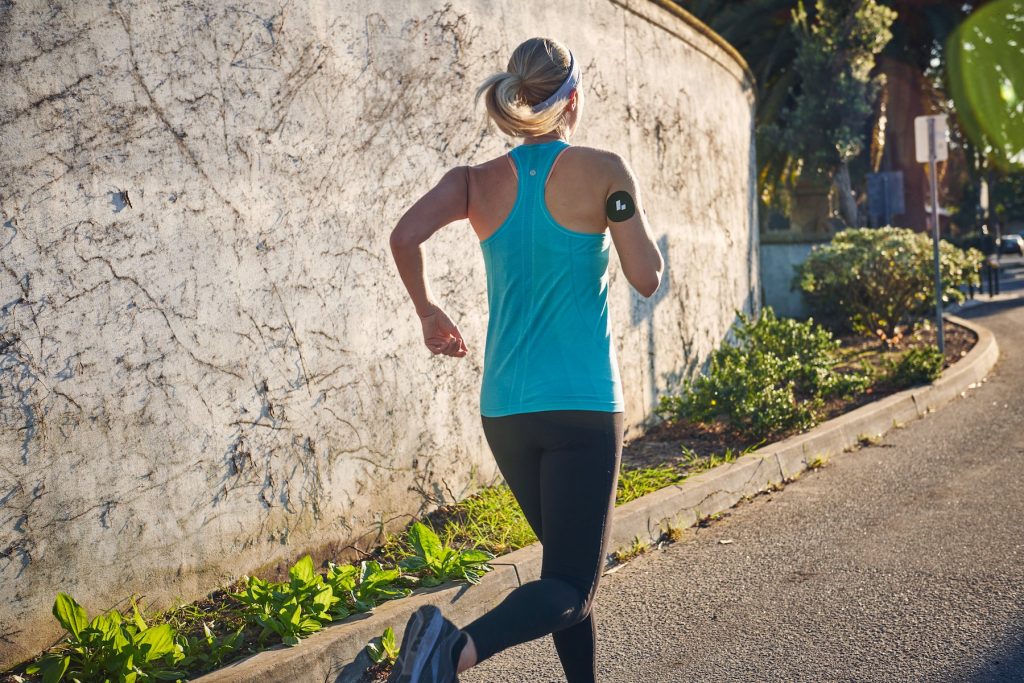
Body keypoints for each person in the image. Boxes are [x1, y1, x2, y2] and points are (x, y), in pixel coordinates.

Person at [386, 37, 664, 683]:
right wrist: (624, 206)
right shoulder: (604, 170)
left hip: (506, 409)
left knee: (564, 574)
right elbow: (646, 276)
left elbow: (404, 236)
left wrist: (429, 311)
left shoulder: (472, 182)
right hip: (582, 405)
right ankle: (447, 652)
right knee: (571, 582)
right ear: (573, 99)